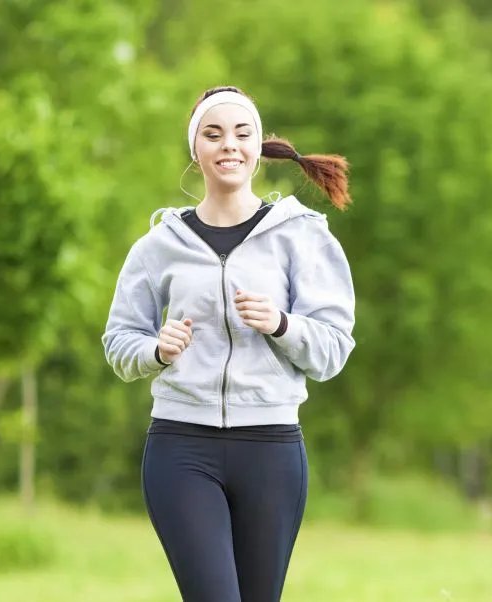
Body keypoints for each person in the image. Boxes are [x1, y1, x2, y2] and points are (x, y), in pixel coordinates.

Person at [102, 86, 356, 602]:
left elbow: (332, 349)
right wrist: (156, 349)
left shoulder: (303, 237)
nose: (229, 146)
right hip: (181, 447)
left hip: (271, 448)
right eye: (212, 134)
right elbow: (119, 340)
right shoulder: (158, 245)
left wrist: (282, 324)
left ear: (260, 146)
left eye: (242, 134)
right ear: (195, 149)